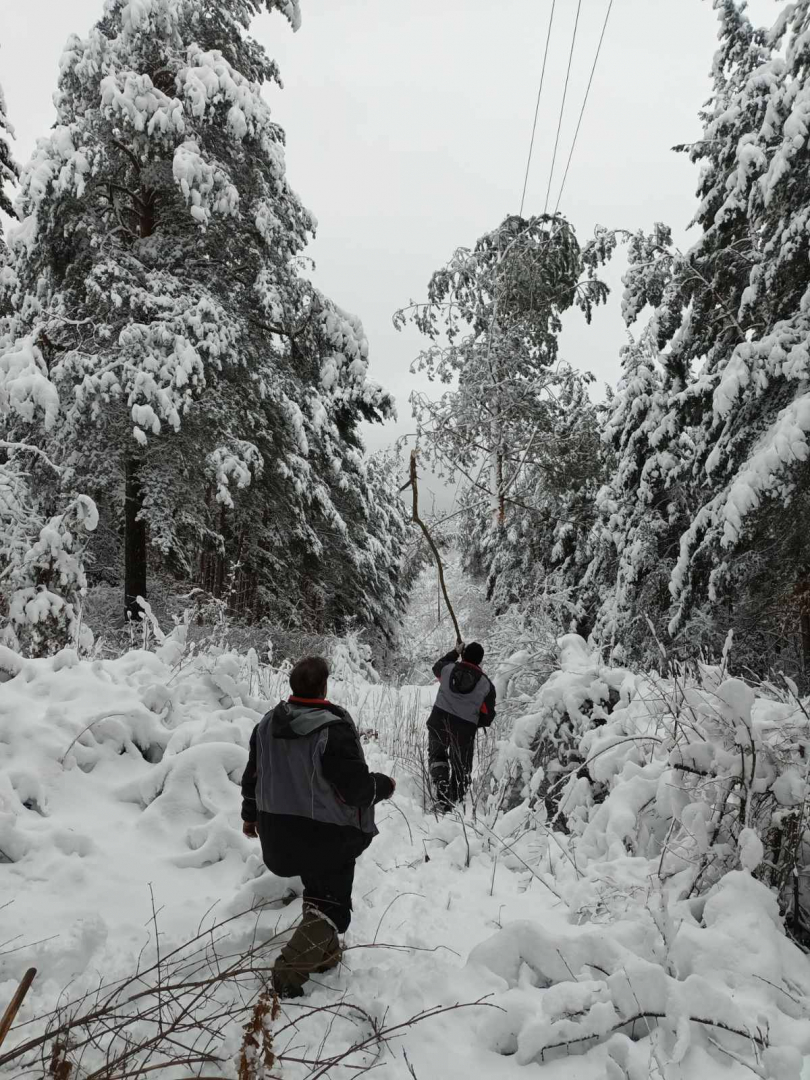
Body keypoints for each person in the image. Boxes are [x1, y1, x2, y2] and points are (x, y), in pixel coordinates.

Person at [240, 655, 395, 998]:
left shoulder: (266, 724)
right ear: (324, 687)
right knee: (332, 909)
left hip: (278, 838)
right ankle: (288, 975)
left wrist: (250, 816)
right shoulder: (332, 729)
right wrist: (384, 785)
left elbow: (253, 776)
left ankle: (324, 957)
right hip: (327, 837)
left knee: (321, 892)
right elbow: (355, 789)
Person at [427, 641, 496, 812]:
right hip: (464, 730)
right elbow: (488, 717)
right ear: (480, 661)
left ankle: (441, 791)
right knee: (461, 768)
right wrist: (473, 719)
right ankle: (455, 805)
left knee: (438, 757)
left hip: (439, 721)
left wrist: (454, 653)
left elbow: (436, 667)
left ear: (463, 655)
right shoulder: (486, 685)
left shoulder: (447, 668)